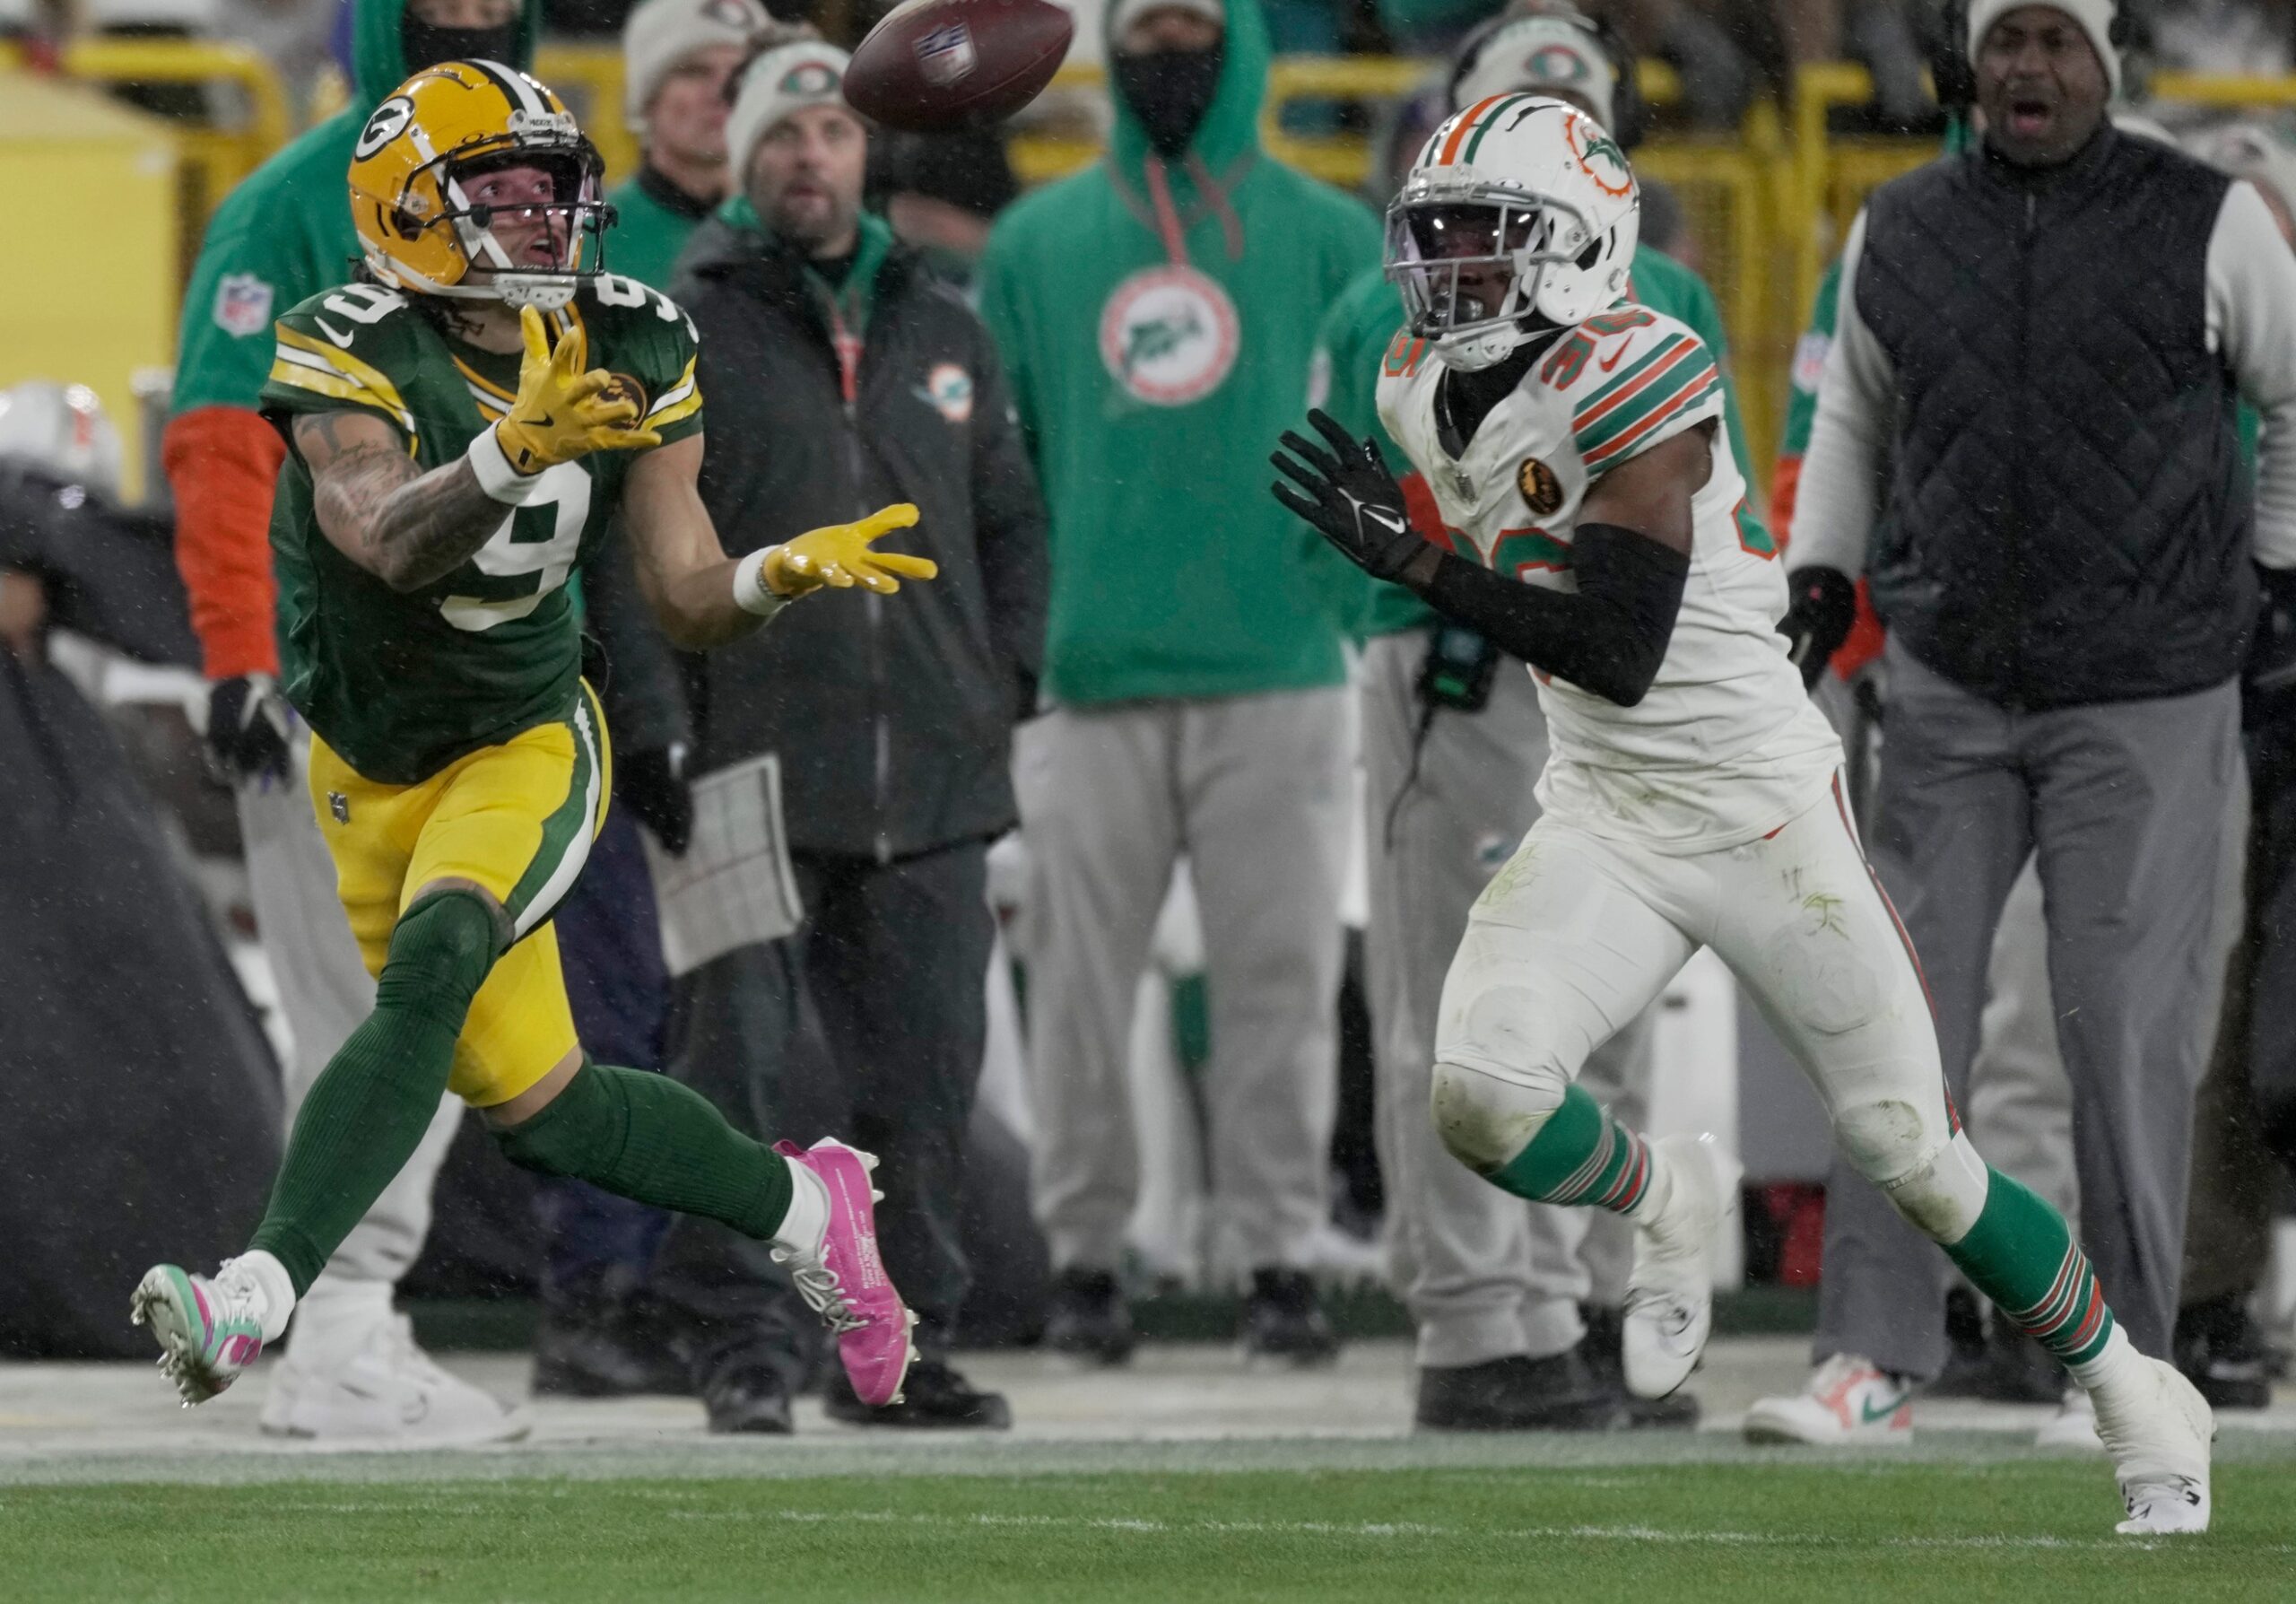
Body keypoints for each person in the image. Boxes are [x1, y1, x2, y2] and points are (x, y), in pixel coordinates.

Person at [1271, 92, 2216, 1535]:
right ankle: (1663, 1197)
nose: (1446, 266)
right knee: (1477, 1096)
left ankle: (2134, 1386)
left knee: (1915, 1153)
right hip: (1603, 803)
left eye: (1483, 234)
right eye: (1435, 235)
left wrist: (1418, 568)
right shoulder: (1414, 377)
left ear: (1580, 245)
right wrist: (1429, 564)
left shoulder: (1641, 366)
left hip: (1760, 808)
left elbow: (1617, 647)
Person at [130, 59, 934, 1426]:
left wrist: (773, 576)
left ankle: (256, 1296)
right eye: (496, 196)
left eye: (552, 191)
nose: (541, 223)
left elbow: (680, 586)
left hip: (525, 734)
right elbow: (382, 537)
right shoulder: (342, 339)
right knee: (547, 1109)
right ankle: (812, 1211)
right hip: (367, 764)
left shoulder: (632, 334)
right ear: (410, 210)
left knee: (441, 955)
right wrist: (508, 449)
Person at [1772, 0, 2296, 1441]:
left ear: (2107, 59)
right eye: (2007, 39)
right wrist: (1822, 569)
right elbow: (1856, 421)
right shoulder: (1902, 225)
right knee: (1894, 1022)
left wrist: (2280, 572)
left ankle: (2125, 1361)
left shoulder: (2210, 219)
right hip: (1946, 683)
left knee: (2124, 1032)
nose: (2029, 67)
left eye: (2058, 39)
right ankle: (1870, 1351)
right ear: (1972, 58)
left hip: (2147, 692)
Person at [1312, 3, 1753, 1432]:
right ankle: (1475, 1319)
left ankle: (1571, 1306)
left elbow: (1710, 542)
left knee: (1606, 1001)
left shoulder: (1670, 299)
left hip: (1621, 698)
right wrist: (1424, 618)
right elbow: (1356, 528)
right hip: (1462, 673)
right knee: (1459, 999)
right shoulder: (1374, 317)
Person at [646, 29, 1047, 1434]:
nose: (807, 156)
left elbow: (1007, 517)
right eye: (779, 135)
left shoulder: (948, 319)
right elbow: (636, 547)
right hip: (740, 759)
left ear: (869, 152)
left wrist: (1007, 683)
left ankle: (895, 1352)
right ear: (741, 160)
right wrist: (654, 727)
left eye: (830, 132)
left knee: (925, 1083)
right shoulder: (680, 319)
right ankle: (741, 1342)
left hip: (931, 767)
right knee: (732, 1079)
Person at [165, 0, 550, 1448]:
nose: (468, 16)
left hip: (477, 673)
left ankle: (345, 1319)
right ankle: (334, 1328)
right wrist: (237, 651)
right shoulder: (292, 201)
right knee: (369, 1007)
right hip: (335, 672)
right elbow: (216, 431)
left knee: (430, 1009)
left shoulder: (536, 194)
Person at [978, 0, 1378, 1367]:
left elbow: (1382, 452)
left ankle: (1280, 1257)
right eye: (1140, 24)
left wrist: (1344, 617)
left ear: (1241, 39)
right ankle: (1083, 1262)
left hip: (1284, 668)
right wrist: (1024, 646)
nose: (1166, 48)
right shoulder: (1034, 245)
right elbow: (1001, 479)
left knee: (1281, 982)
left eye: (1190, 21)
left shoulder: (1333, 237)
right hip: (1091, 674)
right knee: (1081, 994)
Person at [606, 0, 768, 292]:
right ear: (647, 99)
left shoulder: (792, 232)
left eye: (742, 73)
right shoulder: (591, 239)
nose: (722, 93)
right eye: (696, 72)